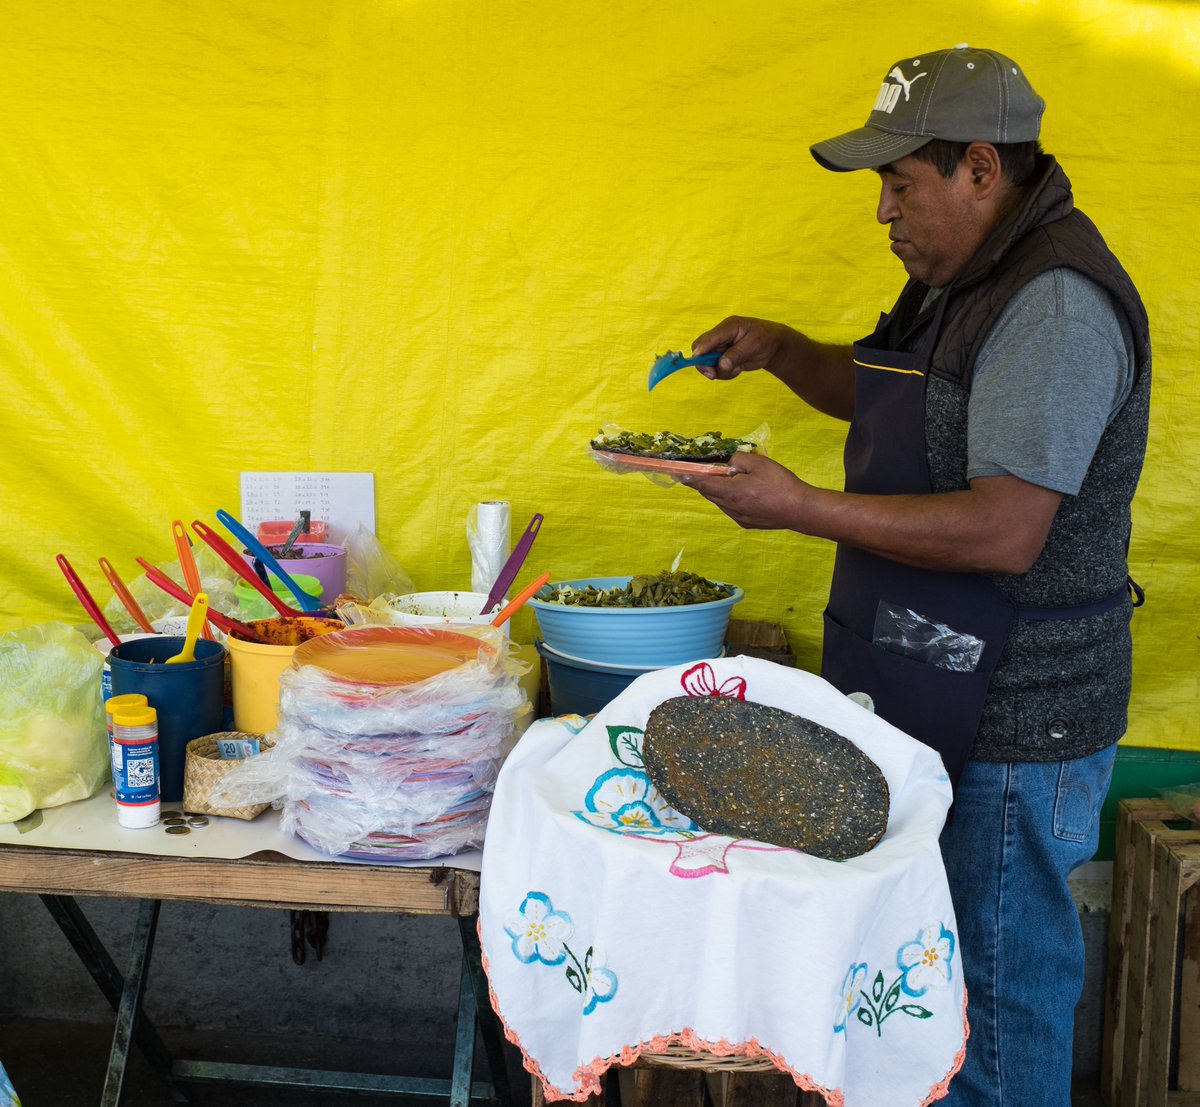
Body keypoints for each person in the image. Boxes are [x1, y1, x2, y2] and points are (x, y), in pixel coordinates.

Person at [681, 45, 1150, 1107]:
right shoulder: (961, 278)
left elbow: (1004, 531)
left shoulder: (1054, 305)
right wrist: (788, 350)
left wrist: (796, 508)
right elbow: (903, 396)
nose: (883, 212)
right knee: (928, 995)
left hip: (1015, 726)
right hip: (936, 693)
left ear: (981, 170)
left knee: (994, 998)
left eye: (900, 184)